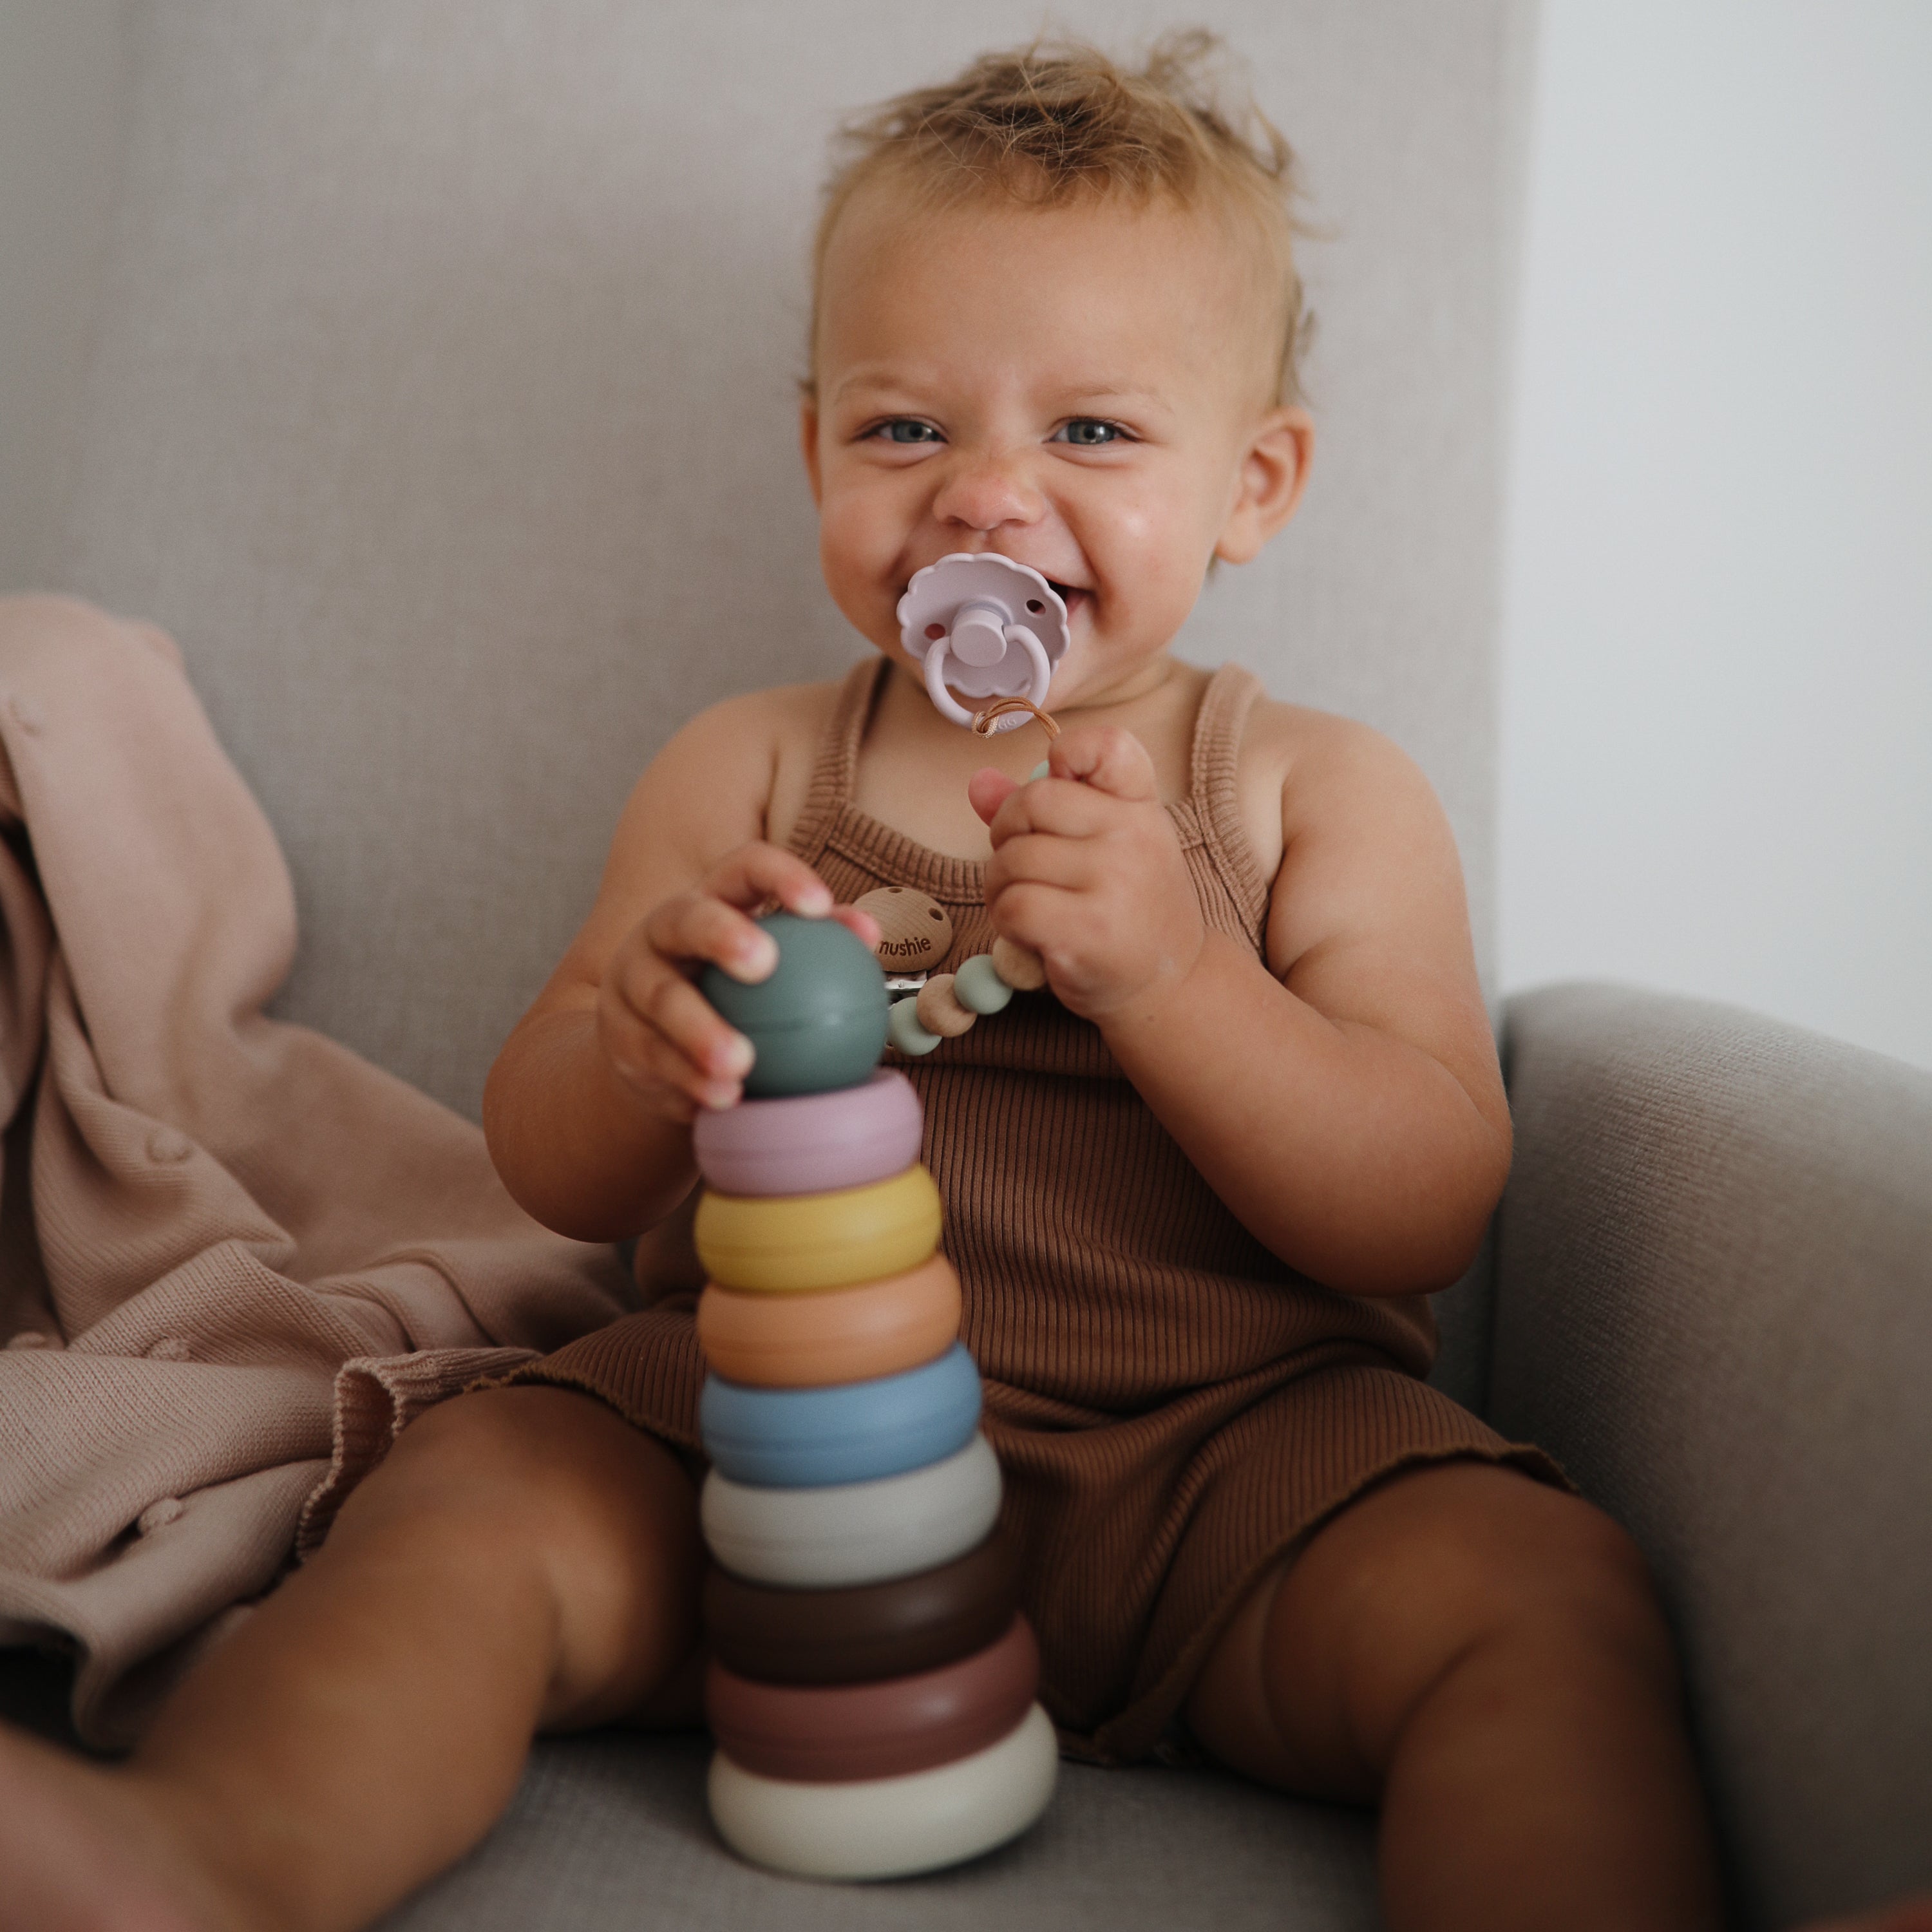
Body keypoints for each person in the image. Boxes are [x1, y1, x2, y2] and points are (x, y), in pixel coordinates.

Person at [14, 32, 1920, 1932]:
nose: (988, 500)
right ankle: (214, 1859)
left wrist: (1181, 975)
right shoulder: (751, 768)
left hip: (1233, 1474)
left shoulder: (1314, 790)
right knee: (474, 1496)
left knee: (1540, 1602)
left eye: (1090, 433)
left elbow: (1427, 1200)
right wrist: (640, 1042)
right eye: (908, 429)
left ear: (1253, 484)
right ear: (817, 446)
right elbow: (551, 1169)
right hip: (754, 1451)